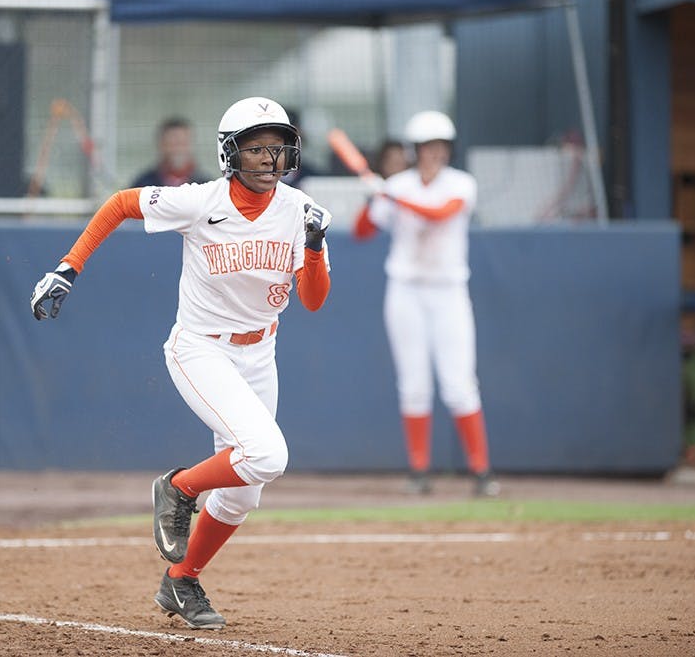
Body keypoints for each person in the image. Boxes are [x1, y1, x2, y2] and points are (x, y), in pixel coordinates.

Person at [30, 97, 332, 629]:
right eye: (256, 148)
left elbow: (312, 300)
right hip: (202, 348)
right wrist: (68, 267)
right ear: (229, 153)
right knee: (267, 454)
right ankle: (180, 487)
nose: (269, 158)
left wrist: (312, 246)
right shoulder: (201, 201)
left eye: (278, 147)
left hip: (260, 352)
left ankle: (180, 580)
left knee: (243, 495)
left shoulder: (300, 211)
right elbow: (121, 203)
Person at [353, 110, 499, 498]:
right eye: (428, 146)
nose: (435, 153)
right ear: (416, 150)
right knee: (413, 385)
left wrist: (393, 195)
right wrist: (371, 199)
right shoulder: (397, 185)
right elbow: (363, 231)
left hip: (449, 292)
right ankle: (419, 471)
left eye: (441, 146)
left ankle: (481, 472)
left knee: (459, 384)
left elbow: (439, 214)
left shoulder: (461, 184)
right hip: (406, 291)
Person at [130, 117, 210, 187]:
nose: (178, 150)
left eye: (183, 143)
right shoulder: (143, 185)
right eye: (173, 143)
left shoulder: (206, 186)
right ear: (161, 145)